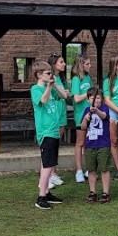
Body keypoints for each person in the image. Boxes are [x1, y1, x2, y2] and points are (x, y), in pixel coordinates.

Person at [31, 61, 68, 209]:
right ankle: (41, 197)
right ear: (39, 75)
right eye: (48, 73)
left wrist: (55, 85)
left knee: (49, 163)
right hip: (46, 132)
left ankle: (46, 193)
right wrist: (49, 87)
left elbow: (64, 96)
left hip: (54, 131)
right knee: (47, 165)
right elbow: (43, 100)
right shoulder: (35, 89)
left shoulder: (50, 87)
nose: (51, 75)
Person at [79, 87, 112, 203]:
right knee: (91, 170)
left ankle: (105, 193)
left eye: (98, 98)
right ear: (88, 99)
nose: (96, 100)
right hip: (90, 145)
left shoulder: (104, 108)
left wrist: (96, 111)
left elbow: (104, 116)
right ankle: (92, 192)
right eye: (93, 98)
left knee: (104, 169)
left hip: (103, 144)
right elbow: (83, 127)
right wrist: (85, 119)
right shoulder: (86, 110)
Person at [47, 53, 70, 188]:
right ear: (54, 64)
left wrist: (65, 92)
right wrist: (63, 92)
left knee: (57, 143)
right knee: (50, 145)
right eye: (61, 62)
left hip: (61, 112)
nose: (64, 64)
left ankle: (53, 173)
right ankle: (47, 175)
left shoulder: (61, 78)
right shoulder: (49, 78)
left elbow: (63, 94)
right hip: (53, 112)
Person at [70, 53, 93, 183]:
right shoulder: (76, 79)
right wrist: (88, 93)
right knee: (80, 143)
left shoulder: (88, 78)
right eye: (87, 64)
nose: (90, 66)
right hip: (80, 115)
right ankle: (79, 170)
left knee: (89, 142)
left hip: (90, 113)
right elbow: (77, 98)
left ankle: (89, 168)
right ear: (81, 65)